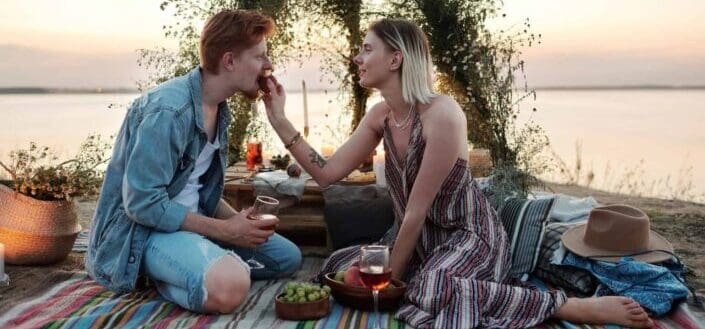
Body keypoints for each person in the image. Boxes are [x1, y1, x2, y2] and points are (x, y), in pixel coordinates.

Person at [262, 18, 653, 328]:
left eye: (367, 50)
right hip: (418, 240)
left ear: (395, 59)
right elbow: (327, 173)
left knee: (430, 288)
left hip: (469, 237)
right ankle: (432, 282)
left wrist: (391, 285)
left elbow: (415, 212)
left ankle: (568, 308)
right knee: (336, 266)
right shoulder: (380, 116)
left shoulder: (442, 115)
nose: (357, 58)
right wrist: (279, 119)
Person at [86, 10, 301, 314]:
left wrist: (237, 220)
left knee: (286, 258)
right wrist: (225, 232)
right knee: (232, 287)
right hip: (143, 234)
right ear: (229, 61)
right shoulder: (168, 112)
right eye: (260, 57)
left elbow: (196, 190)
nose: (269, 66)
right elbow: (142, 205)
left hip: (190, 225)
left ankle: (193, 266)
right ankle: (155, 275)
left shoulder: (218, 108)